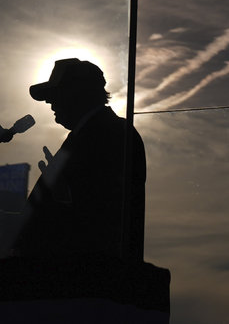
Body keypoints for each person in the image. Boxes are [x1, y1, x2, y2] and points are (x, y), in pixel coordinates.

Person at [13, 58, 146, 261]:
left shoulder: (108, 133)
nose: (50, 102)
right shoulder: (91, 134)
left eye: (56, 94)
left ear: (78, 93)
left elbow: (98, 217)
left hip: (86, 278)